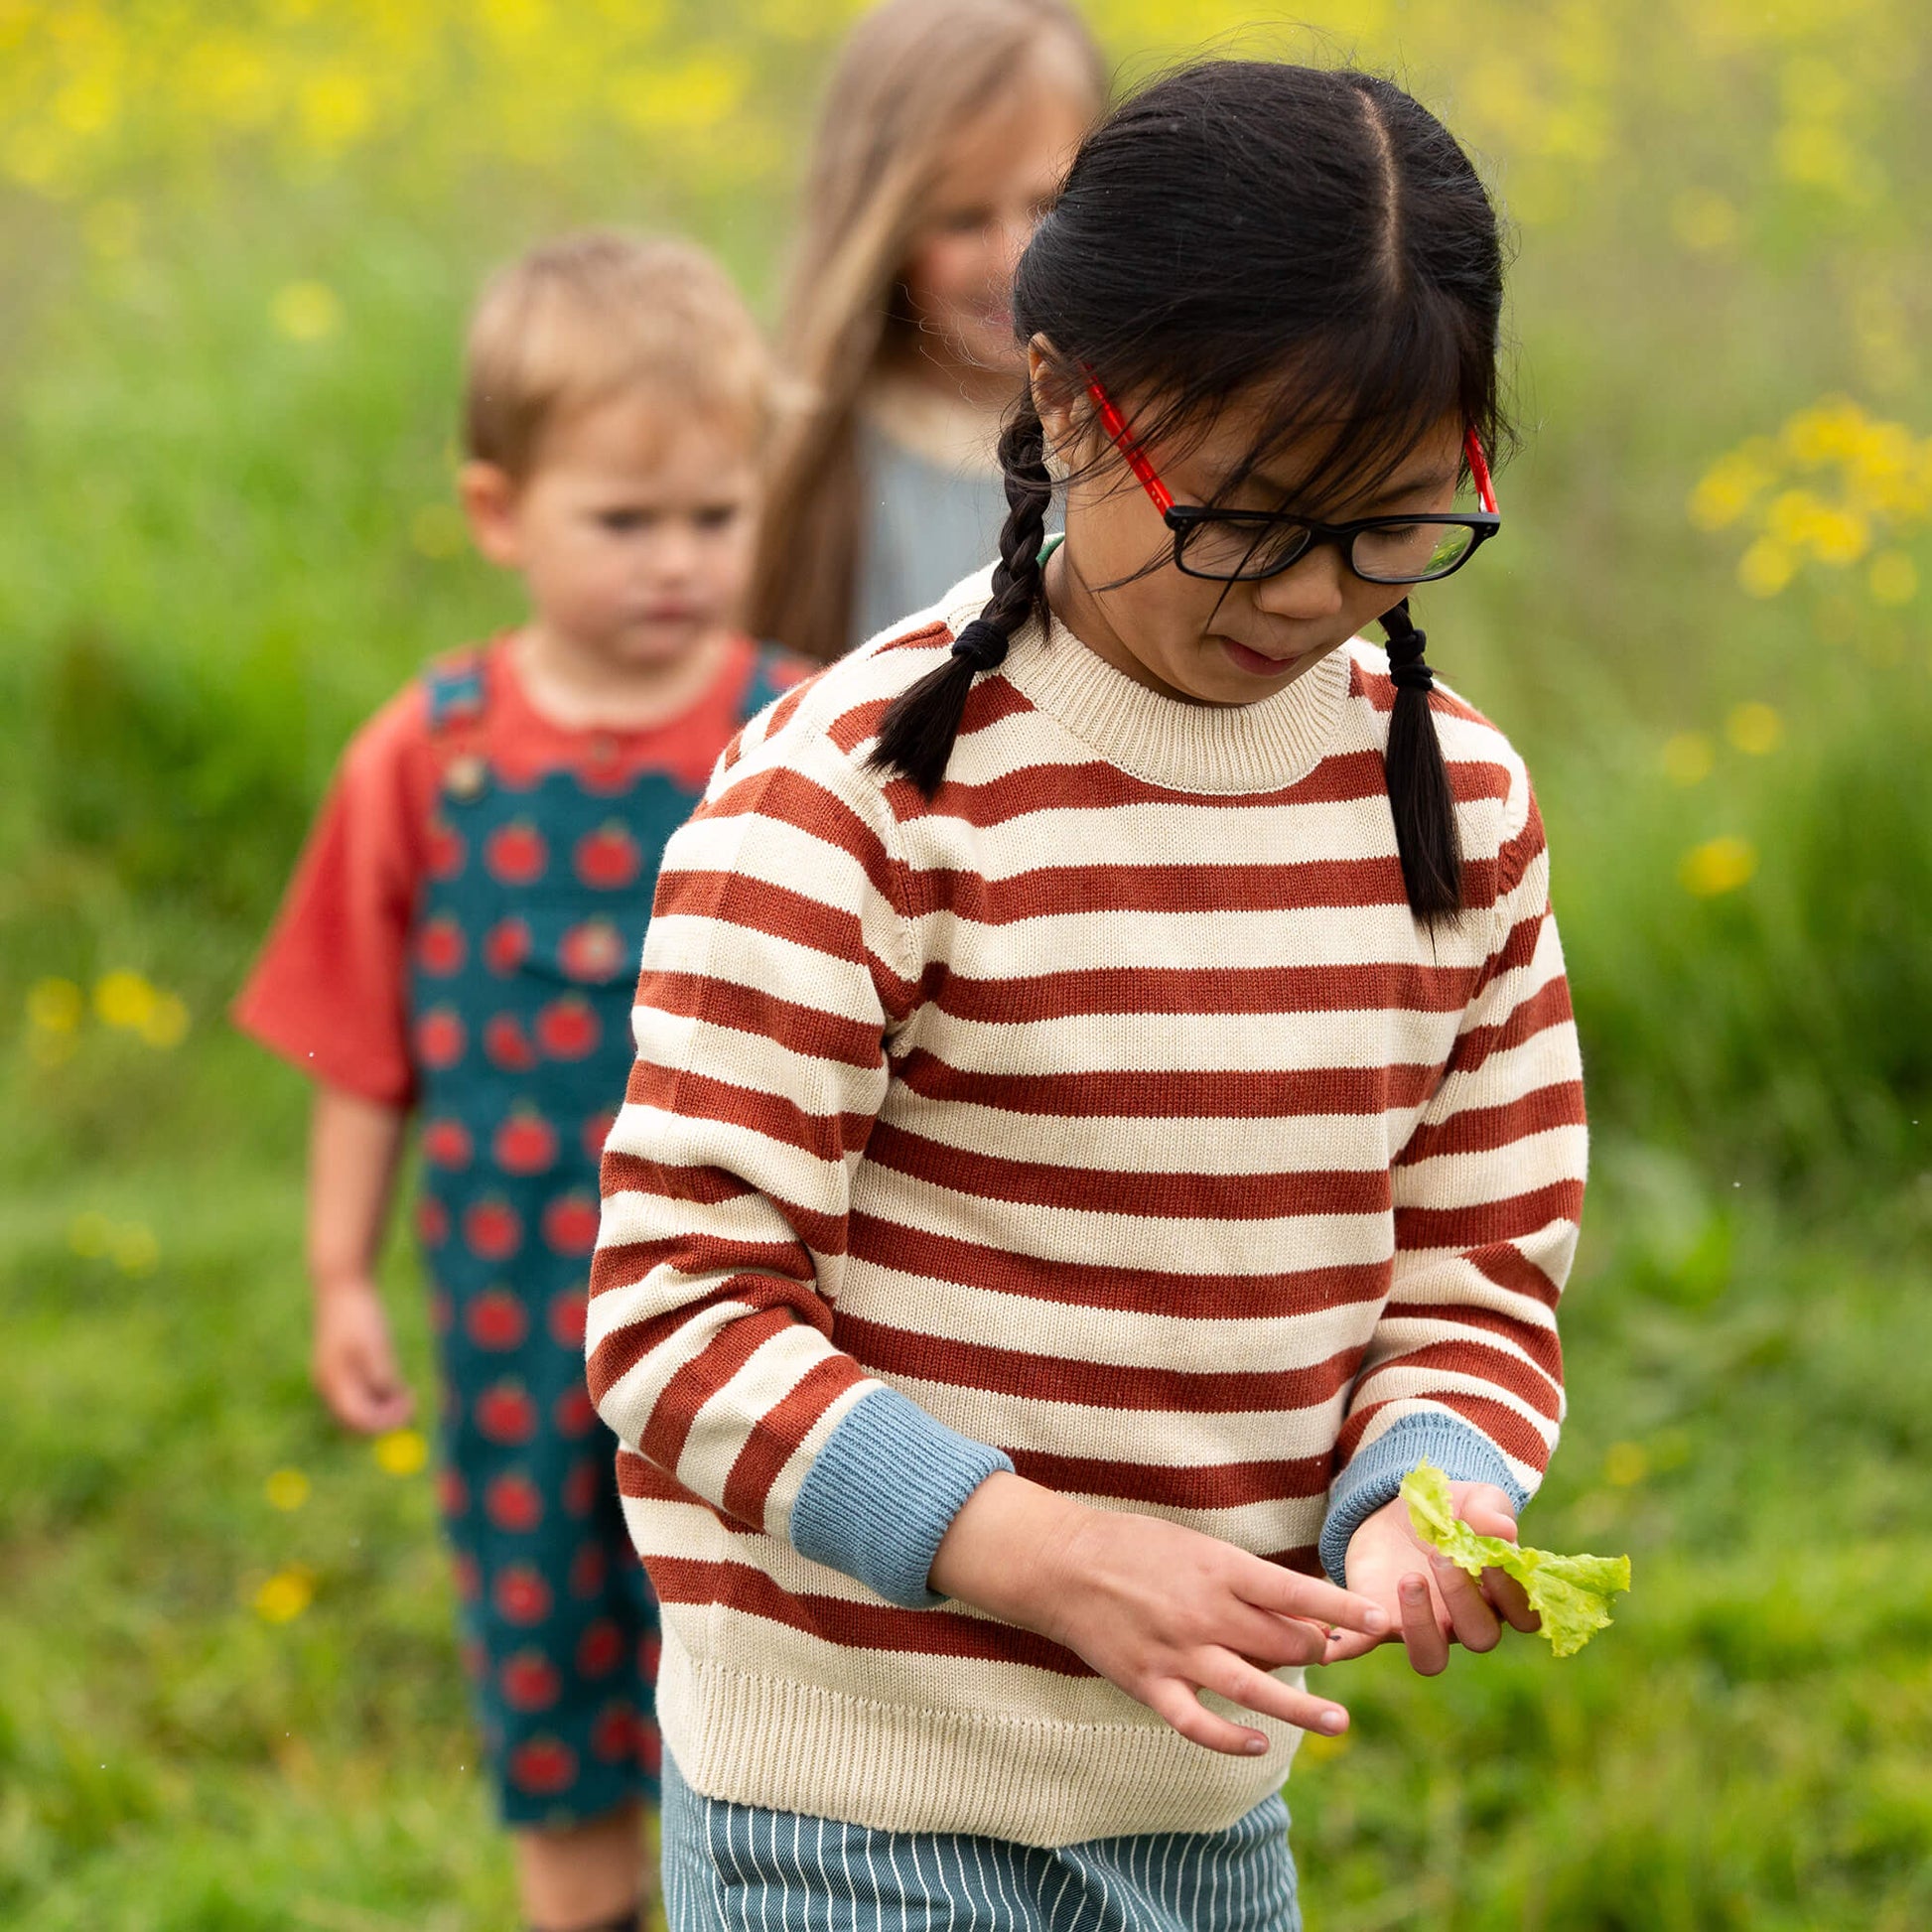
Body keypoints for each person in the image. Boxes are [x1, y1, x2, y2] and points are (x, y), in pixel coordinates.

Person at [592, 60, 1585, 1932]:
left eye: (1386, 527)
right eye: (1244, 518)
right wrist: (1039, 1554)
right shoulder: (856, 797)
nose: (1302, 596)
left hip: (1201, 1801)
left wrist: (1425, 1481)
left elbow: (1475, 1263)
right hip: (846, 1807)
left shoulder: (1452, 807)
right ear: (1060, 392)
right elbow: (677, 1316)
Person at [234, 232, 806, 1932]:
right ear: (499, 512)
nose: (675, 562)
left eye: (713, 515)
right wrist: (339, 1270)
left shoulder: (796, 736)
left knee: (759, 1640)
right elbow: (360, 1045)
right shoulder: (435, 753)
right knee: (542, 1634)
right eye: (622, 522)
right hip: (512, 1315)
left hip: (756, 1314)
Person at [746, 0, 1106, 660]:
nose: (1015, 257)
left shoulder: (1141, 430)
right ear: (881, 228)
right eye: (963, 219)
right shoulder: (798, 449)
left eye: (1050, 203)